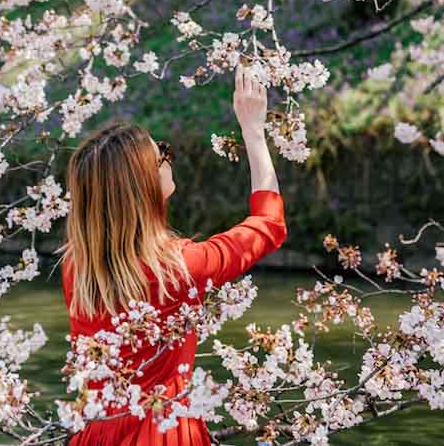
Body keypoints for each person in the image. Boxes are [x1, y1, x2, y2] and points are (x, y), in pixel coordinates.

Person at [59, 62, 287, 444]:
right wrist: (253, 131)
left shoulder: (76, 269)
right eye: (161, 153)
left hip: (96, 433)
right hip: (165, 434)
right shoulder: (181, 266)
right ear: (144, 183)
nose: (169, 156)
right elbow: (269, 224)